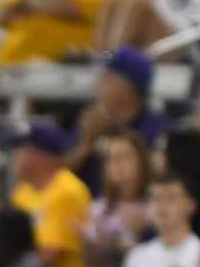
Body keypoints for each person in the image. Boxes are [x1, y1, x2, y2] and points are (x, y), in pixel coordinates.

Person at [6, 119, 92, 267]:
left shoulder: (67, 190)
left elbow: (50, 255)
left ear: (42, 155)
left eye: (21, 149)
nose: (13, 156)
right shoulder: (22, 192)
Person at [68, 45, 168, 177]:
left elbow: (153, 177)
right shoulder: (92, 122)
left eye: (106, 79)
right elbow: (57, 177)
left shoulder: (157, 129)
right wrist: (87, 143)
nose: (96, 85)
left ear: (128, 88)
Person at [120, 172, 200, 267]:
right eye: (156, 198)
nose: (161, 205)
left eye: (171, 198)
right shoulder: (136, 256)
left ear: (191, 205)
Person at [83, 129, 155, 267]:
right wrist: (91, 245)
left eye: (125, 157)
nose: (118, 165)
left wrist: (142, 234)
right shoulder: (98, 210)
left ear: (141, 161)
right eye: (111, 159)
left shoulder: (155, 205)